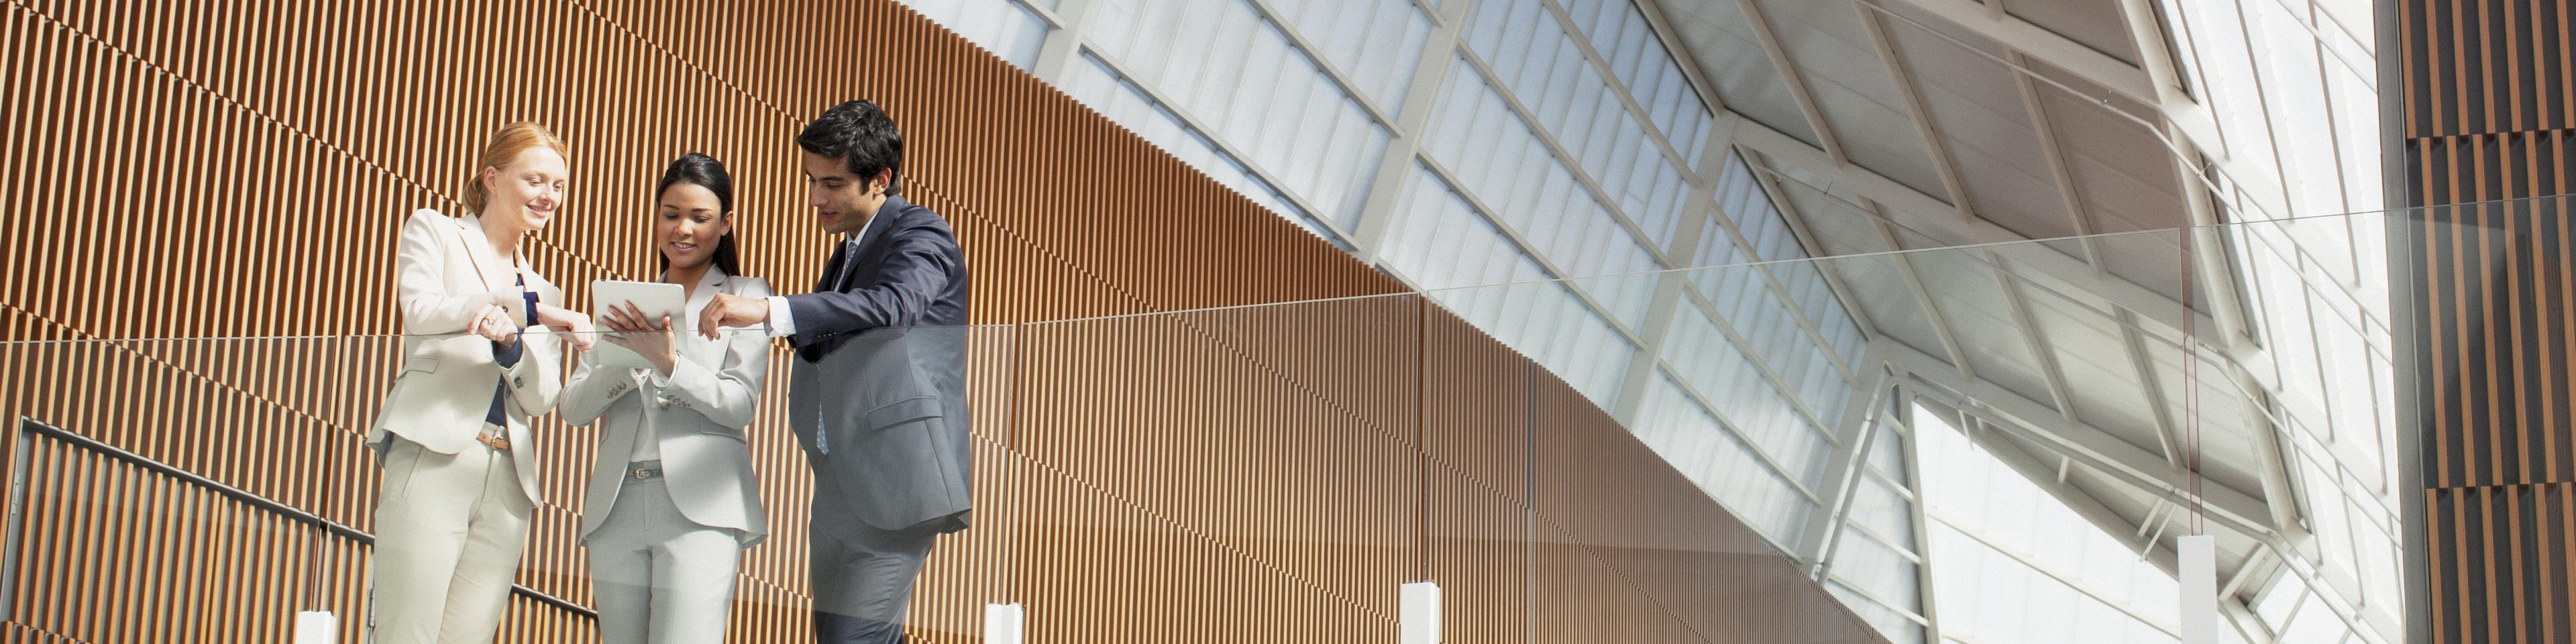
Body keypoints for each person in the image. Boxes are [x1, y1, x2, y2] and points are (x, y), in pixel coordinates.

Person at [697, 99, 971, 643]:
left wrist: (774, 313)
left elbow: (895, 303)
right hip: (840, 484)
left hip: (896, 487)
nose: (817, 198)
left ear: (881, 179)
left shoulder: (921, 233)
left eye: (834, 183)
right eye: (811, 181)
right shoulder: (848, 250)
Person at [370, 121, 590, 643]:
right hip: (434, 450)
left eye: (558, 186)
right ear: (492, 178)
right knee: (407, 631)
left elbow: (540, 397)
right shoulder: (437, 231)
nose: (549, 197)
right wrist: (521, 311)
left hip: (509, 479)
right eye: (536, 180)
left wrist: (512, 344)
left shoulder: (544, 288)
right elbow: (420, 309)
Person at [559, 152, 773, 643]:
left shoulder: (745, 295)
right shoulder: (626, 302)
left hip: (702, 508)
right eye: (671, 214)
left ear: (726, 224)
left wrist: (669, 364)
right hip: (617, 507)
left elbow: (740, 403)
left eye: (700, 217)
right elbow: (573, 407)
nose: (683, 229)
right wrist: (632, 359)